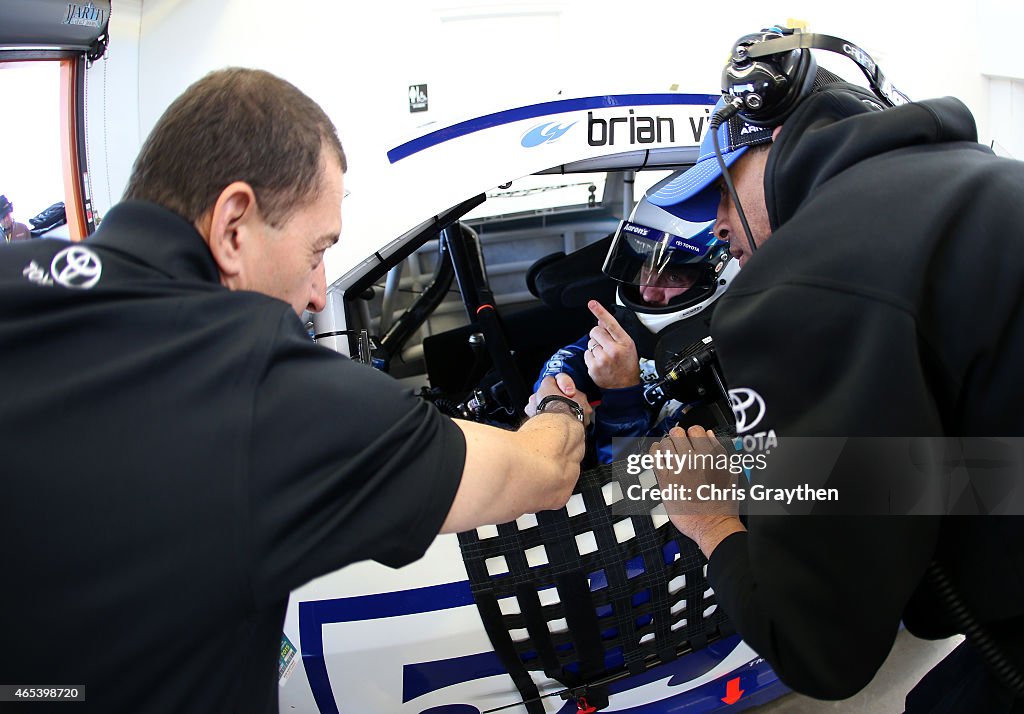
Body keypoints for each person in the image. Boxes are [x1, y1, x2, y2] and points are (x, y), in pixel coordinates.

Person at [0, 68, 586, 713]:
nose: (316, 292)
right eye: (316, 251)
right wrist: (565, 396)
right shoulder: (266, 397)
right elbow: (544, 471)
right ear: (233, 226)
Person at [649, 31, 1024, 712]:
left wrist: (708, 519)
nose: (720, 227)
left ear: (772, 146)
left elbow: (819, 649)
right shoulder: (983, 177)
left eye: (724, 190)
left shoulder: (804, 276)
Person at [525, 186, 739, 462]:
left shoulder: (719, 386)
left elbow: (625, 485)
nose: (648, 292)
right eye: (645, 268)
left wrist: (621, 393)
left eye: (673, 277)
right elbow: (570, 356)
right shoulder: (634, 317)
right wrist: (557, 396)